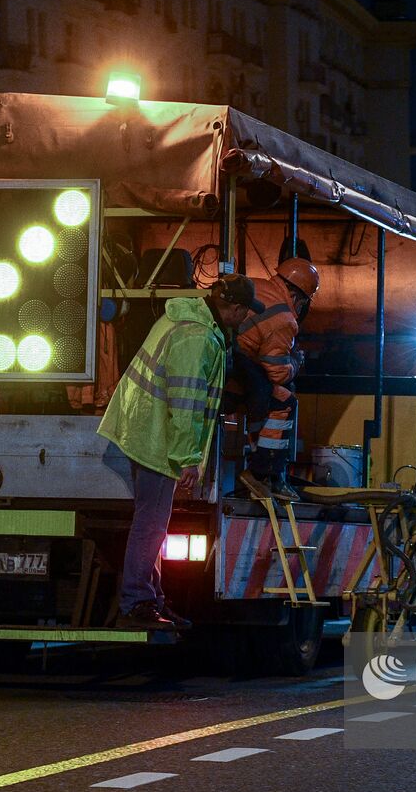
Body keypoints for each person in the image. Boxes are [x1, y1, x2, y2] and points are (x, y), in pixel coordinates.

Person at [97, 275, 262, 630]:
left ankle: (150, 598)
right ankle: (136, 602)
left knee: (153, 523)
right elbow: (185, 403)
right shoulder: (196, 337)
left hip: (145, 428)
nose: (246, 319)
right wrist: (188, 458)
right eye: (245, 312)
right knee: (151, 523)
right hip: (155, 437)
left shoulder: (188, 320)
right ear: (232, 308)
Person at [230, 257, 320, 501]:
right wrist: (295, 362)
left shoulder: (256, 285)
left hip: (226, 362)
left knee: (263, 397)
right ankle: (263, 473)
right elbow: (277, 372)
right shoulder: (285, 319)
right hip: (235, 373)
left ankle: (266, 470)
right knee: (284, 399)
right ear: (299, 297)